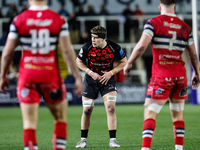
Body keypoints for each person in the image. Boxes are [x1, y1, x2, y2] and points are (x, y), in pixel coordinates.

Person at [0, 0, 83, 150]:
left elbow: (7, 53)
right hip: (49, 75)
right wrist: (77, 77)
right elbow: (67, 51)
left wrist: (2, 75)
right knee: (60, 119)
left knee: (29, 123)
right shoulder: (58, 19)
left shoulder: (18, 20)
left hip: (27, 75)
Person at [123, 0, 200, 150]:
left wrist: (129, 62)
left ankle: (145, 148)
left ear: (159, 7)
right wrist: (197, 72)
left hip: (162, 76)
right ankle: (179, 148)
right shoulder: (185, 27)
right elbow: (194, 55)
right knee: (178, 116)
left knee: (150, 114)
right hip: (180, 77)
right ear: (175, 7)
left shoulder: (153, 23)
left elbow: (141, 46)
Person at [75, 25, 127, 148]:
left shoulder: (114, 47)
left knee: (110, 108)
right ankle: (83, 140)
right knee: (87, 110)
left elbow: (124, 62)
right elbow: (78, 62)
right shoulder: (87, 47)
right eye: (92, 37)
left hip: (107, 80)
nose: (92, 40)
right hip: (90, 80)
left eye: (95, 38)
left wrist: (111, 73)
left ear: (103, 39)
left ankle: (113, 140)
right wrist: (90, 73)